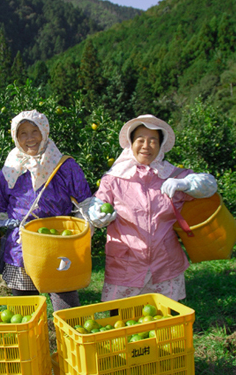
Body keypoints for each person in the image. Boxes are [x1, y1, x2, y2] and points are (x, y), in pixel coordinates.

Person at [87, 114, 217, 302]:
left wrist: (186, 184)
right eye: (140, 140)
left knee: (164, 322)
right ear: (131, 143)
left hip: (165, 265)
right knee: (122, 323)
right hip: (126, 264)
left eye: (153, 141)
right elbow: (97, 203)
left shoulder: (172, 175)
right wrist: (96, 213)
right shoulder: (114, 178)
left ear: (161, 145)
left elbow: (210, 185)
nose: (146, 146)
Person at [0, 109, 92, 311]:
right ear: (15, 137)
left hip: (58, 246)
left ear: (44, 132)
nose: (30, 138)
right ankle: (31, 342)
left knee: (66, 307)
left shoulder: (64, 166)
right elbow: (0, 204)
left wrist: (89, 220)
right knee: (24, 311)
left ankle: (69, 340)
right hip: (21, 249)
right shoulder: (11, 168)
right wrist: (5, 222)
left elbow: (85, 201)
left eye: (34, 131)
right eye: (23, 133)